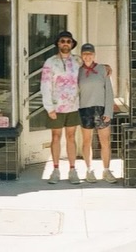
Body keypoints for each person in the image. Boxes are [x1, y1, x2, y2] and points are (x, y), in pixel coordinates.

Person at [40, 31, 82, 185]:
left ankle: (72, 170)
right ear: (58, 43)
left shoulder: (78, 61)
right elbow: (45, 85)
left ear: (72, 44)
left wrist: (105, 67)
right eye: (63, 41)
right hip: (56, 107)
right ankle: (55, 170)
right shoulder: (50, 62)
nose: (66, 43)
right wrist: (49, 107)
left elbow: (91, 69)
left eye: (68, 41)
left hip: (73, 106)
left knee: (71, 137)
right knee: (55, 137)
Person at [78, 43, 117, 183]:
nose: (87, 56)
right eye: (85, 54)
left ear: (94, 55)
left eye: (90, 54)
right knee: (86, 141)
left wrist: (108, 111)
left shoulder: (103, 70)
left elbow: (109, 92)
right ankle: (89, 170)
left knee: (104, 141)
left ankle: (106, 171)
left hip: (101, 109)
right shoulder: (78, 72)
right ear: (81, 56)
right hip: (85, 109)